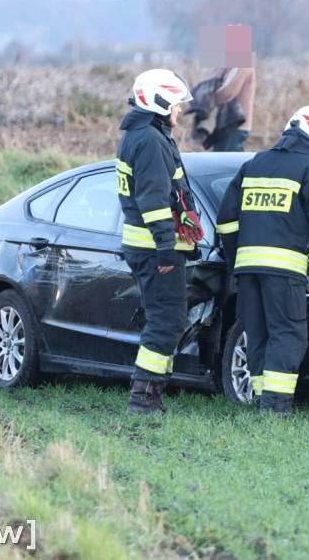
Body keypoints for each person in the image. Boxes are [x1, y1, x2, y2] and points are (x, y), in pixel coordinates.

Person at [216, 106, 309, 417]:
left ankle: (263, 401)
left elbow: (225, 221)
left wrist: (236, 261)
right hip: (285, 272)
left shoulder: (252, 164)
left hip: (248, 272)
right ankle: (276, 409)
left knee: (259, 332)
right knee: (288, 334)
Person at [115, 69, 204, 415]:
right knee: (167, 320)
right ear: (160, 102)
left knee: (165, 318)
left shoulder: (145, 136)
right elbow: (153, 201)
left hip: (149, 248)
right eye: (176, 104)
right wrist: (167, 247)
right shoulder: (151, 141)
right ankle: (142, 396)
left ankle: (152, 394)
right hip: (155, 251)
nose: (179, 111)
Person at [191, 67, 255, 152]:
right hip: (225, 125)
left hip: (234, 125)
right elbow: (210, 84)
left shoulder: (243, 65)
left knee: (224, 162)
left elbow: (226, 93)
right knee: (224, 161)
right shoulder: (226, 66)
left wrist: (203, 98)